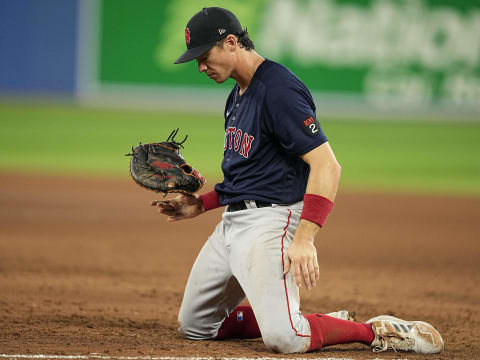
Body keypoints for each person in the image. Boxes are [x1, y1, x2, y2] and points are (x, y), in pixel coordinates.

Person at [151, 7, 444, 355]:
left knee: (285, 339)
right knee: (196, 327)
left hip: (270, 223)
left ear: (230, 42)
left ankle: (374, 331)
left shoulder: (279, 89)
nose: (200, 67)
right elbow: (245, 177)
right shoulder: (236, 96)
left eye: (204, 56)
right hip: (232, 225)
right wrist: (202, 204)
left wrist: (305, 239)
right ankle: (296, 317)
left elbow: (327, 166)